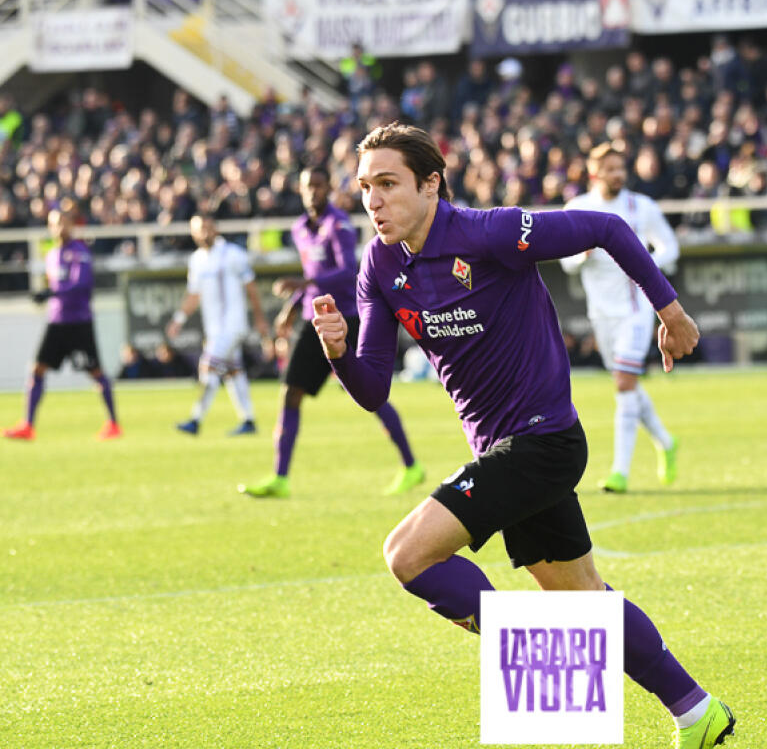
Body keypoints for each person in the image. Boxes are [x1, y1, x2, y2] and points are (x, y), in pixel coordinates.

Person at [312, 123, 734, 749]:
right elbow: (373, 389)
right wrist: (338, 353)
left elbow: (607, 228)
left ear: (430, 184)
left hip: (543, 443)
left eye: (388, 184)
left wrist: (669, 311)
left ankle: (541, 656)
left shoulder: (489, 233)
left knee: (407, 555)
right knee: (583, 600)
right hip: (504, 454)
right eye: (365, 186)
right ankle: (698, 713)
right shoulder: (379, 264)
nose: (373, 200)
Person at [240, 165, 424, 498]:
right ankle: (280, 478)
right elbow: (312, 275)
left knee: (371, 395)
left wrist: (305, 284)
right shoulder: (300, 228)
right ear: (300, 190)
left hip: (345, 318)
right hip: (315, 319)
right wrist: (292, 306)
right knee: (290, 392)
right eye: (307, 186)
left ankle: (411, 466)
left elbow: (346, 271)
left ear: (329, 189)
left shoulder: (338, 224)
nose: (313, 192)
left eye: (319, 185)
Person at [560, 143, 680, 494]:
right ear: (594, 173)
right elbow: (565, 263)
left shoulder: (641, 207)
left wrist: (643, 265)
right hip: (601, 313)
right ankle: (666, 441)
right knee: (627, 384)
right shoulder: (577, 208)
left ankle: (620, 472)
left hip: (636, 309)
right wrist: (581, 256)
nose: (617, 174)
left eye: (620, 168)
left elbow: (670, 247)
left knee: (625, 383)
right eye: (610, 169)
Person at [1, 209, 121, 441]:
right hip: (57, 321)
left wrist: (51, 292)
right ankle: (28, 424)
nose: (58, 228)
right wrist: (48, 294)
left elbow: (81, 284)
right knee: (36, 369)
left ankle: (113, 423)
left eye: (62, 223)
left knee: (96, 372)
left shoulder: (80, 252)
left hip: (79, 322)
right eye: (54, 224)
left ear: (71, 225)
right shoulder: (52, 254)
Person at [167, 214, 272, 436]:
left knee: (207, 367)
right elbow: (194, 295)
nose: (203, 233)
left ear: (215, 229)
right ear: (193, 233)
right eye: (199, 229)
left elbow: (251, 288)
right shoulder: (197, 259)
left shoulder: (233, 254)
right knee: (234, 372)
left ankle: (195, 419)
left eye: (207, 227)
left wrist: (260, 318)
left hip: (233, 326)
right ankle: (248, 420)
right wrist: (178, 319)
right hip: (214, 329)